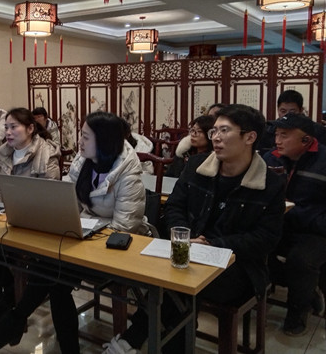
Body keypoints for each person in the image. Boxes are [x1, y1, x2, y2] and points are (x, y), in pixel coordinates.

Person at [103, 104, 285, 354]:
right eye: (214, 131)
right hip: (187, 249)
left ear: (250, 137)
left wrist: (212, 245)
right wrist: (183, 236)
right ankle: (148, 343)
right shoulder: (197, 166)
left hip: (237, 265)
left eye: (224, 130)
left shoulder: (270, 184)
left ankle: (131, 340)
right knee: (161, 276)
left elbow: (265, 238)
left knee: (177, 287)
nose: (216, 137)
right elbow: (174, 207)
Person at [0, 111, 149, 353]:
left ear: (104, 141)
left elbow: (124, 227)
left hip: (116, 247)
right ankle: (30, 327)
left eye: (86, 137)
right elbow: (66, 198)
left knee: (53, 272)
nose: (79, 141)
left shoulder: (128, 171)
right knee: (54, 277)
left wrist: (81, 233)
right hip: (84, 235)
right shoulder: (83, 160)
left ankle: (15, 319)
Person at [0, 108, 61, 342]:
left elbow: (48, 197)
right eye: (6, 127)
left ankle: (2, 304)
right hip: (8, 219)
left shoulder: (46, 155)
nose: (8, 132)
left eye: (14, 127)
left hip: (35, 224)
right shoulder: (4, 153)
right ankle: (0, 302)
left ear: (30, 128)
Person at [262, 113, 326, 336]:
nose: (277, 140)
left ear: (306, 140)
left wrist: (300, 215)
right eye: (276, 134)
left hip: (314, 230)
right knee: (253, 248)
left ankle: (298, 311)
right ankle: (307, 289)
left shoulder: (323, 161)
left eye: (284, 135)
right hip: (279, 225)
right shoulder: (271, 158)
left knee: (301, 261)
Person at [259, 90, 326, 154]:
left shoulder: (317, 131)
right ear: (278, 110)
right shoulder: (268, 131)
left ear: (301, 110)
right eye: (283, 111)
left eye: (292, 112)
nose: (287, 115)